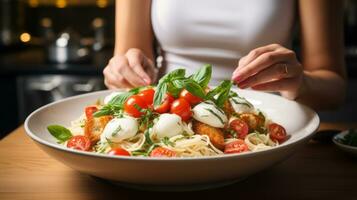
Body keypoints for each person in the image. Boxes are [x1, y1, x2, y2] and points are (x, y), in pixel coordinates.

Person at [103, 0, 346, 110]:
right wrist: (125, 70)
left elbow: (334, 87)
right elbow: (130, 60)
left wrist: (300, 83)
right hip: (167, 116)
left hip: (268, 128)